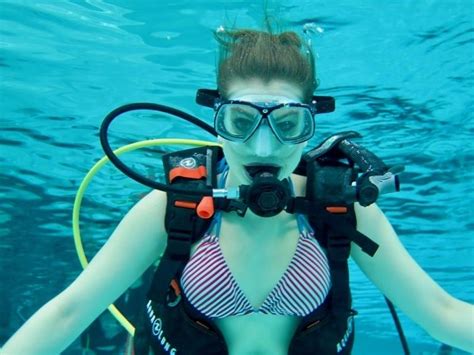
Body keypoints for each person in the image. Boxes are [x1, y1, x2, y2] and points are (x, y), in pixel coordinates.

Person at [1, 26, 473, 355]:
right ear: (217, 123)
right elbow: (70, 311)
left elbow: (441, 312)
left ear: (310, 128)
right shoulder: (173, 207)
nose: (263, 146)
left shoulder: (342, 211)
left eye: (288, 124)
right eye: (241, 122)